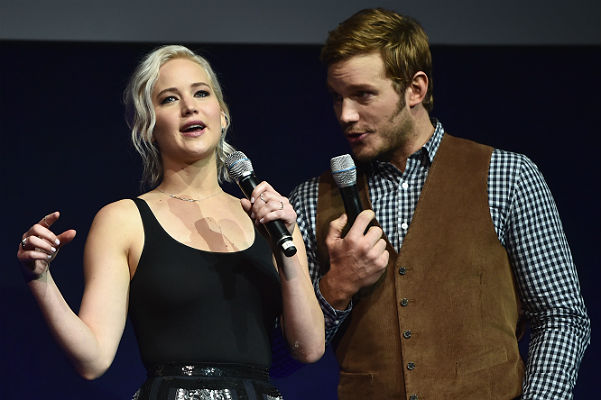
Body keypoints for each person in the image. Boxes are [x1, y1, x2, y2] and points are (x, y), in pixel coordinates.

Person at [289, 8, 590, 400]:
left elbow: (561, 316)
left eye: (363, 94)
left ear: (415, 89)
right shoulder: (310, 200)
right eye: (336, 98)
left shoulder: (506, 175)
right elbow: (289, 352)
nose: (345, 115)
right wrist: (337, 286)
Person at [17, 44, 324, 400]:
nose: (189, 106)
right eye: (169, 99)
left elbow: (309, 348)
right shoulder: (123, 220)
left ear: (222, 115)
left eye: (201, 93)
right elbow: (93, 360)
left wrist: (287, 251)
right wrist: (40, 279)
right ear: (148, 127)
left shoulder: (270, 219)